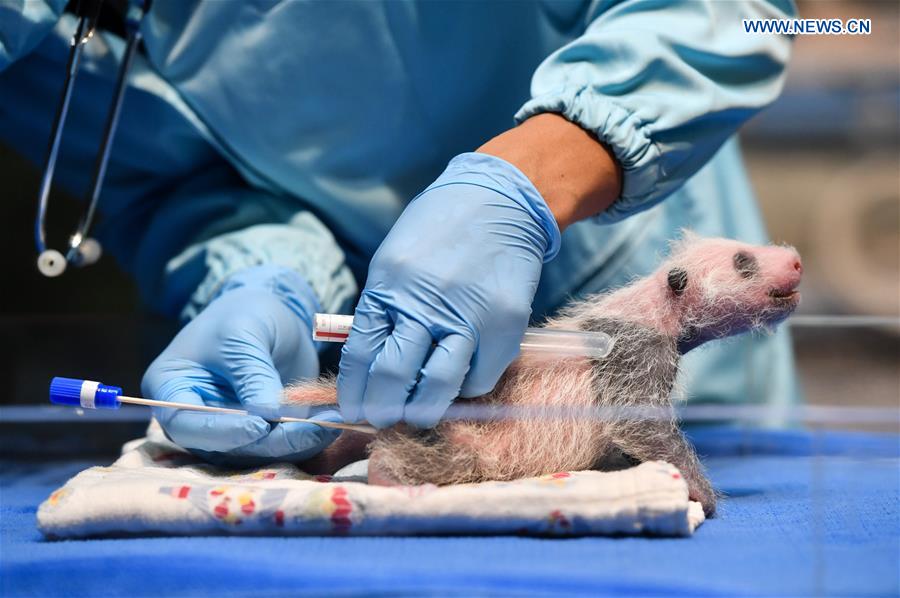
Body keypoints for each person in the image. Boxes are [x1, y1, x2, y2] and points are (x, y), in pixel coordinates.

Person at [0, 0, 800, 462]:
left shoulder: (681, 291)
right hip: (378, 414)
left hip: (617, 281)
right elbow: (166, 169)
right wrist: (257, 273)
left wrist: (528, 179)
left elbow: (728, 13)